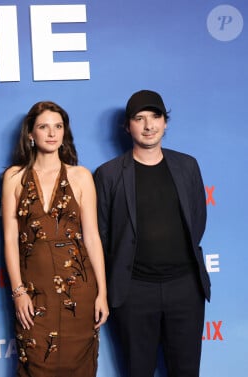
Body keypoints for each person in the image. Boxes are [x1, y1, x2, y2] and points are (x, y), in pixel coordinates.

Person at [93, 90, 211, 377]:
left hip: (185, 287)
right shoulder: (108, 174)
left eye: (155, 117)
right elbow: (102, 232)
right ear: (127, 126)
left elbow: (197, 219)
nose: (149, 126)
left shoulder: (187, 166)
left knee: (186, 371)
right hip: (134, 291)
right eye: (139, 118)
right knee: (138, 370)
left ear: (165, 122)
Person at [2, 101, 109, 376]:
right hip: (34, 294)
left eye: (58, 126)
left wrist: (102, 294)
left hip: (80, 292)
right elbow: (10, 239)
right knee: (35, 365)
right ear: (30, 134)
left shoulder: (81, 176)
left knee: (80, 367)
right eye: (44, 126)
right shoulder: (14, 178)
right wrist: (18, 291)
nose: (52, 133)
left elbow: (93, 238)